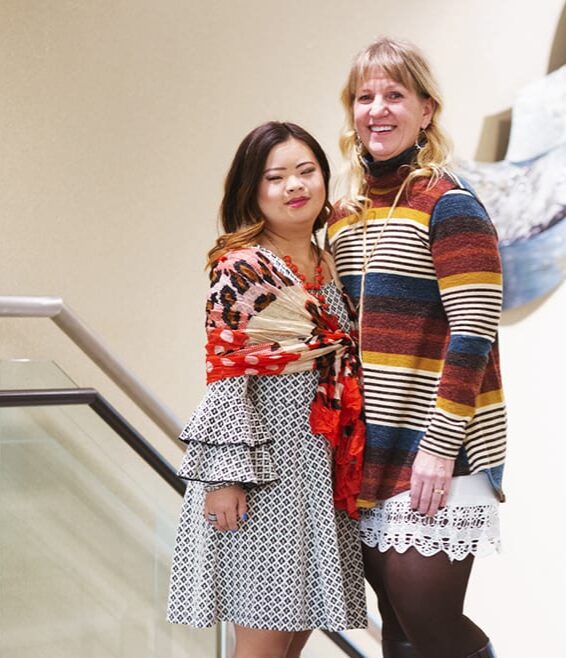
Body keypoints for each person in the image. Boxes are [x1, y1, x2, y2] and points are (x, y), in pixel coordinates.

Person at [329, 38, 507, 658]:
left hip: (439, 443)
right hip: (370, 449)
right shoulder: (345, 217)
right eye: (365, 96)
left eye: (395, 95)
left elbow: (475, 328)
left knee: (428, 615)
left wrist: (439, 445)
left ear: (426, 110)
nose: (378, 109)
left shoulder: (449, 204)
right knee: (399, 622)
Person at [167, 121, 367, 658]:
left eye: (306, 172)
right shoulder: (244, 266)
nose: (294, 186)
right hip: (261, 478)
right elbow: (227, 378)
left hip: (318, 474)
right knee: (259, 650)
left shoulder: (328, 263)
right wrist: (224, 478)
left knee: (291, 644)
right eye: (275, 177)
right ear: (252, 190)